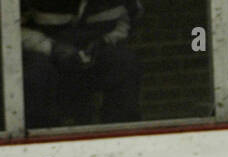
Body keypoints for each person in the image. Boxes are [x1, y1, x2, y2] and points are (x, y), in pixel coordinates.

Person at [21, 0, 143, 128]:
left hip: (94, 56)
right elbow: (11, 27)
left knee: (125, 63)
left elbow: (128, 20)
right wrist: (51, 47)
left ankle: (120, 136)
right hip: (47, 58)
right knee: (35, 72)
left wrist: (104, 40)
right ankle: (42, 138)